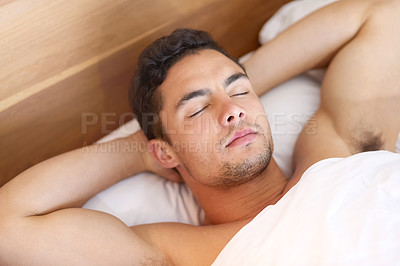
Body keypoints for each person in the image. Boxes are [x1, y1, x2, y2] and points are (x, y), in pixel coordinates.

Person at [1, 0, 399, 264]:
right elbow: (9, 226)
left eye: (240, 92)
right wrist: (140, 150)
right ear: (165, 153)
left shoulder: (342, 152)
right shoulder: (176, 254)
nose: (233, 113)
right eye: (198, 109)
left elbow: (382, 14)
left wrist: (241, 81)